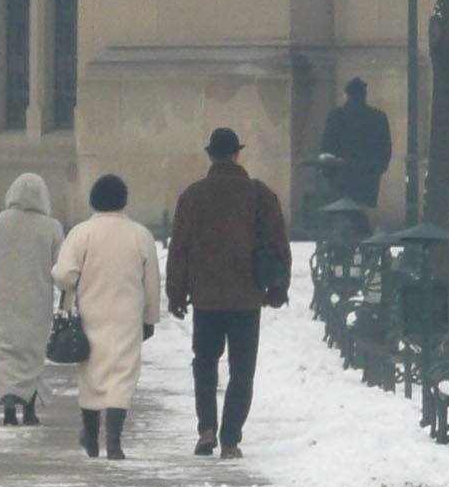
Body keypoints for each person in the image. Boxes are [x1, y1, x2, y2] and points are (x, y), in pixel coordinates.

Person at [165, 127, 291, 459]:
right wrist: (277, 289)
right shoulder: (259, 195)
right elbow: (279, 245)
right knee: (242, 369)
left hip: (206, 298)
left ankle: (206, 428)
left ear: (210, 156)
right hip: (246, 297)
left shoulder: (192, 196)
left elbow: (179, 249)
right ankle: (231, 438)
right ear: (237, 155)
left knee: (204, 364)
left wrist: (176, 294)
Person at [51, 173, 162, 461]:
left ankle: (90, 435)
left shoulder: (81, 233)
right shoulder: (140, 235)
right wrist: (149, 317)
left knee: (91, 374)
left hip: (91, 314)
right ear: (124, 200)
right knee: (122, 375)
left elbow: (64, 275)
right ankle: (114, 441)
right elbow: (151, 282)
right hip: (127, 315)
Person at [0, 172, 66, 426]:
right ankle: (31, 410)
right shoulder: (52, 227)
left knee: (5, 353)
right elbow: (61, 267)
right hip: (38, 302)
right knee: (31, 355)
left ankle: (9, 408)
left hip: (4, 300)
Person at [320, 78, 394, 209]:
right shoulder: (378, 117)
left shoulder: (336, 115)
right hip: (367, 176)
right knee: (361, 210)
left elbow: (327, 144)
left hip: (340, 174)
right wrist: (377, 169)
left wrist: (327, 170)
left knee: (342, 212)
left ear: (347, 95)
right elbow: (385, 148)